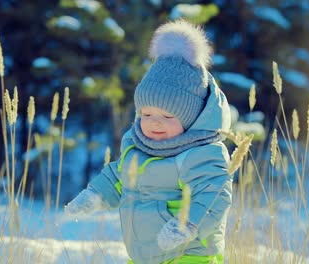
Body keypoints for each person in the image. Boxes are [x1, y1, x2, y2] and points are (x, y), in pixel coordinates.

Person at [65, 19, 232, 264]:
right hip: (144, 256)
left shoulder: (202, 153)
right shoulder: (137, 147)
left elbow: (215, 195)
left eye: (167, 116)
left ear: (191, 118)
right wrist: (95, 195)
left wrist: (186, 225)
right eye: (147, 114)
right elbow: (118, 176)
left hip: (189, 255)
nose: (155, 123)